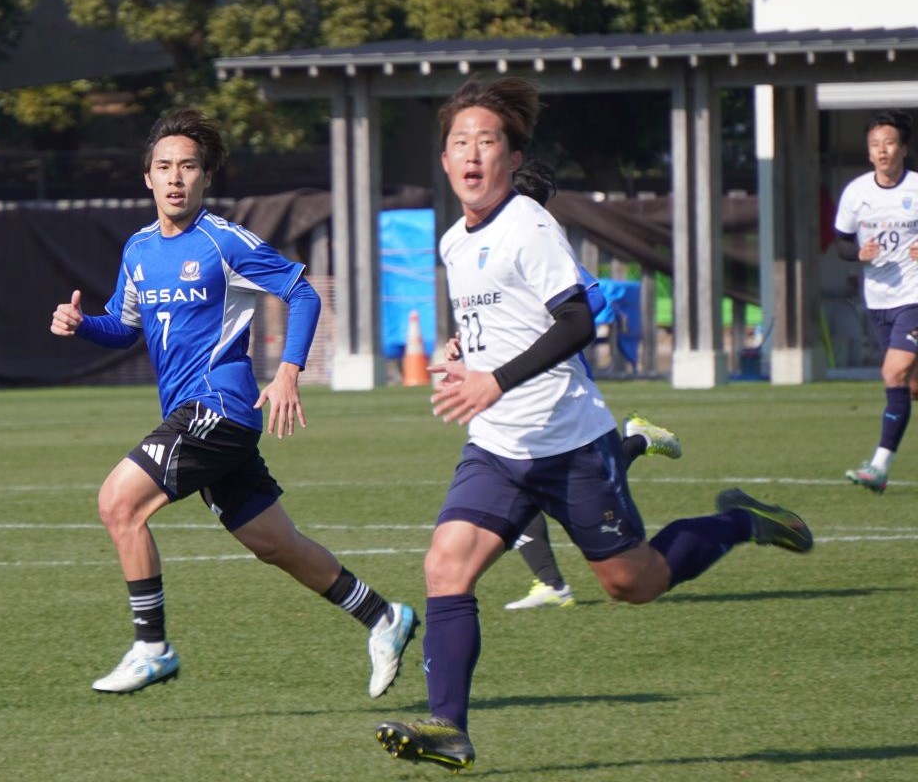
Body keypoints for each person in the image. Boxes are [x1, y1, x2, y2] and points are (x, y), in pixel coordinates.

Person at [374, 77, 813, 772]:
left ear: (513, 159)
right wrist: (464, 346)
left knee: (630, 582)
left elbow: (578, 318)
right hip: (497, 447)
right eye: (460, 141)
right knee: (445, 565)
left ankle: (742, 523)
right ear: (444, 158)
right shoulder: (456, 240)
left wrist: (494, 379)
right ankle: (448, 728)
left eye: (487, 141)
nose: (472, 152)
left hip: (571, 443)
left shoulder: (528, 223)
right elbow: (492, 316)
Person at [49, 109, 417, 697]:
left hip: (217, 409)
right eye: (164, 167)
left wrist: (289, 371)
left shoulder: (223, 241)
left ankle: (152, 647)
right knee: (276, 544)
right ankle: (383, 617)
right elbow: (123, 327)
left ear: (205, 178)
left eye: (188, 167)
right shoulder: (139, 249)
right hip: (196, 419)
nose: (176, 178)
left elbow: (300, 292)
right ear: (147, 177)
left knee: (119, 504)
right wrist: (81, 324)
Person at [448, 163, 684, 611]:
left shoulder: (536, 238)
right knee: (518, 475)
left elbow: (589, 298)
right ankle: (552, 580)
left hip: (550, 387)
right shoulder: (481, 245)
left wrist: (535, 324)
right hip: (504, 397)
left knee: (538, 476)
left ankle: (553, 581)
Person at [834, 109, 918, 494]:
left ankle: (880, 465)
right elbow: (840, 244)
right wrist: (859, 254)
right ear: (869, 153)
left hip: (914, 297)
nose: (882, 151)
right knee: (910, 386)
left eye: (889, 143)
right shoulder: (856, 193)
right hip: (878, 300)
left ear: (904, 148)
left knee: (893, 374)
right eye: (874, 145)